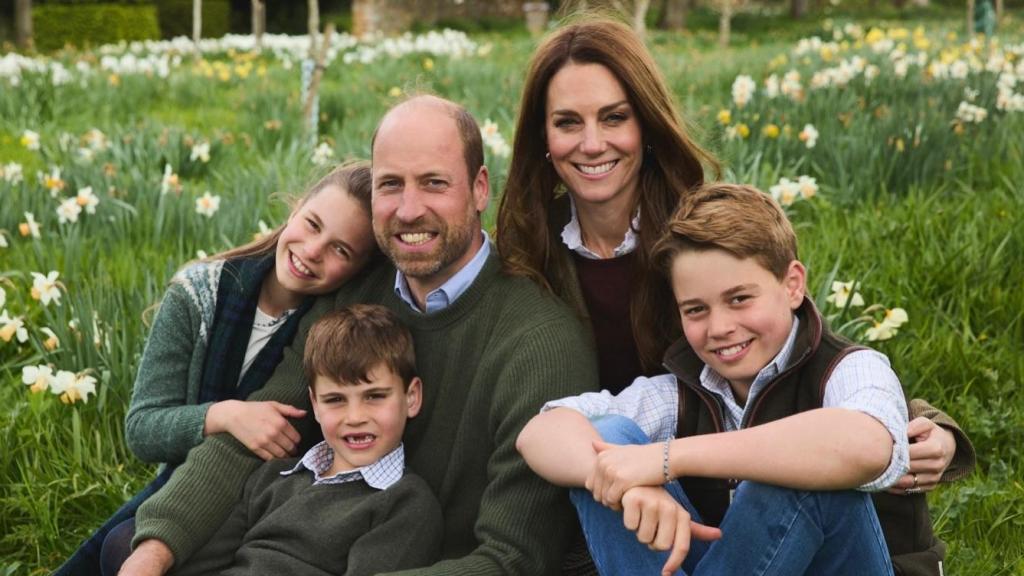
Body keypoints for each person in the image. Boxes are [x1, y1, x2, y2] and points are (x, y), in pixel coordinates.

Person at [496, 15, 971, 506]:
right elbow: (534, 417)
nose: (592, 143)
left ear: (648, 124)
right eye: (567, 122)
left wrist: (930, 426)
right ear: (542, 138)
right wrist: (625, 479)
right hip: (595, 468)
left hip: (719, 481)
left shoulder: (699, 237)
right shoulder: (524, 251)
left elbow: (803, 356)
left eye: (615, 117)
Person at [115, 94, 598, 576]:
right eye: (390, 185)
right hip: (309, 543)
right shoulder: (354, 293)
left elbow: (511, 561)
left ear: (478, 188)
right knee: (130, 547)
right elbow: (261, 434)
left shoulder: (539, 342)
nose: (409, 210)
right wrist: (152, 552)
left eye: (434, 183)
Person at [517, 183, 971, 576]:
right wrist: (625, 480)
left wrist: (666, 459)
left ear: (793, 285)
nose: (719, 327)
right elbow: (541, 432)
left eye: (739, 299)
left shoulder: (852, 368)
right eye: (696, 309)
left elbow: (865, 445)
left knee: (793, 469)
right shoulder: (682, 389)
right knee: (608, 440)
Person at [55, 161, 379, 576]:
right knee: (119, 549)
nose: (313, 251)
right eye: (313, 224)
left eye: (341, 250)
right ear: (295, 209)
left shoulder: (332, 328)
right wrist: (224, 415)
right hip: (189, 486)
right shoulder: (198, 295)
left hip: (273, 499)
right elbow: (143, 429)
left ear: (357, 271)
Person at [167, 304, 443, 576]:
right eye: (335, 400)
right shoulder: (273, 476)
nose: (355, 417)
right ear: (315, 405)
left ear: (411, 397)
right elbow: (202, 563)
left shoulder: (405, 504)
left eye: (375, 396)